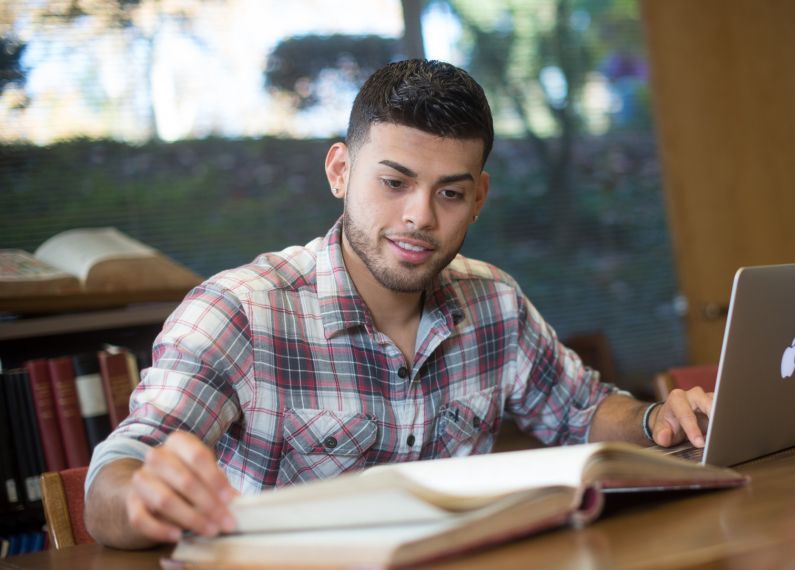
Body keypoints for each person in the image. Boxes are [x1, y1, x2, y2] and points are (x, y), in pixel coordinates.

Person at [84, 59, 713, 549]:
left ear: (480, 198)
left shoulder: (494, 301)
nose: (419, 217)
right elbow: (117, 476)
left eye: (450, 193)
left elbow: (584, 412)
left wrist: (655, 421)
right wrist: (143, 496)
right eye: (394, 182)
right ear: (339, 170)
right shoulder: (237, 312)